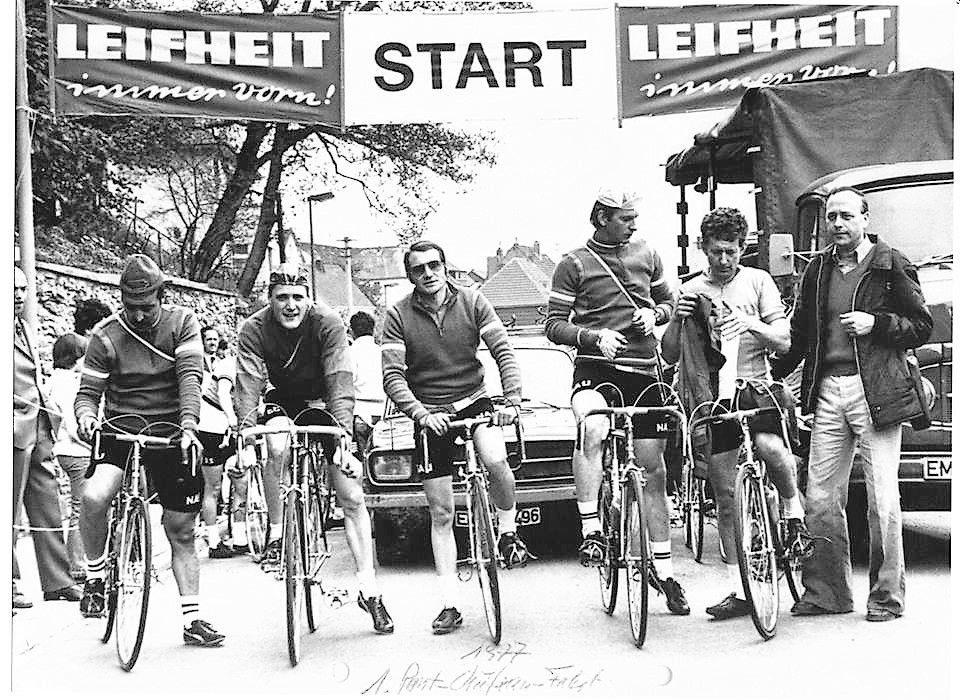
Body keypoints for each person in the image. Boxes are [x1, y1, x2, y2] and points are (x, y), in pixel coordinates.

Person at [771, 186, 932, 621]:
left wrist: (875, 323)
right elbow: (803, 332)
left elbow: (921, 325)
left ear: (865, 218)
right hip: (828, 393)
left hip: (875, 392)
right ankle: (827, 593)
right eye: (831, 217)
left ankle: (886, 597)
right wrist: (771, 365)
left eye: (846, 216)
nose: (838, 224)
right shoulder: (818, 268)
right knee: (820, 496)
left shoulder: (890, 263)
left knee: (883, 498)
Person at [661, 207, 814, 620]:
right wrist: (677, 317)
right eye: (715, 252)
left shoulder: (757, 280)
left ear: (741, 248)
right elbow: (669, 354)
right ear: (702, 249)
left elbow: (783, 341)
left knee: (770, 446)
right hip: (714, 399)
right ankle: (738, 588)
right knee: (725, 495)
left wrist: (751, 324)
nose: (723, 260)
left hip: (754, 388)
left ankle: (793, 514)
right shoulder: (690, 288)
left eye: (730, 251)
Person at [545, 187, 689, 615]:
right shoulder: (573, 263)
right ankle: (591, 528)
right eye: (627, 218)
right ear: (603, 217)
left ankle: (663, 573)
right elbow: (552, 325)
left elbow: (669, 301)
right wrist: (593, 336)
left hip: (647, 371)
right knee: (592, 426)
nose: (634, 225)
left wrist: (656, 316)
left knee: (654, 468)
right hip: (596, 370)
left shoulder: (648, 252)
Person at [233, 262, 394, 634]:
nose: (290, 305)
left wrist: (343, 439)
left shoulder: (327, 323)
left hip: (323, 401)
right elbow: (248, 380)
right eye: (281, 298)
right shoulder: (254, 328)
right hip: (280, 399)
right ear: (269, 300)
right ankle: (278, 532)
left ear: (309, 298)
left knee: (351, 496)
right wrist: (244, 432)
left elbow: (339, 377)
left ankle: (369, 590)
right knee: (275, 447)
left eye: (297, 297)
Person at [381, 240, 531, 636]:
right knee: (441, 511)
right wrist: (420, 414)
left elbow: (503, 350)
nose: (428, 274)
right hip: (431, 413)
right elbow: (393, 375)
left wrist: (512, 399)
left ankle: (508, 530)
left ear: (445, 267)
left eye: (434, 266)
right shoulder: (396, 314)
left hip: (475, 400)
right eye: (419, 269)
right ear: (409, 275)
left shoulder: (473, 301)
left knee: (495, 456)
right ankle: (449, 603)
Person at [75, 254, 224, 647]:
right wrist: (87, 417)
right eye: (130, 307)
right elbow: (87, 394)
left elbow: (189, 377)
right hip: (120, 431)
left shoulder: (183, 323)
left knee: (181, 530)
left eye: (147, 307)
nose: (138, 316)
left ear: (163, 295)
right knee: (93, 496)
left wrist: (190, 425)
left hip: (173, 432)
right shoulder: (105, 335)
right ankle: (94, 575)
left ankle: (193, 619)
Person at [13, 266, 82, 609]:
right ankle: (8, 583)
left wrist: (48, 409)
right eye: (12, 288)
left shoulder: (23, 327)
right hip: (12, 426)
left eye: (23, 288)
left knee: (48, 504)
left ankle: (57, 581)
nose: (18, 295)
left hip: (38, 424)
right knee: (7, 508)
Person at [47, 333, 92, 582]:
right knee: (81, 509)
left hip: (67, 451)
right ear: (75, 358)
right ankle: (77, 565)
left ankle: (77, 561)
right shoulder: (66, 383)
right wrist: (92, 442)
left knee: (80, 506)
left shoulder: (56, 380)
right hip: (76, 452)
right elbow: (73, 423)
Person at [197, 328, 239, 559]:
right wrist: (233, 419)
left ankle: (240, 534)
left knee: (240, 475)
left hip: (225, 427)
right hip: (211, 426)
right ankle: (213, 541)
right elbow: (223, 394)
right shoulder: (229, 365)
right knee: (211, 487)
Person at [349, 311, 385, 456]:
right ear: (374, 329)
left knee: (359, 460)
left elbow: (348, 382)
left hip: (360, 412)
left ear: (351, 331)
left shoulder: (350, 353)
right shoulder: (383, 352)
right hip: (383, 413)